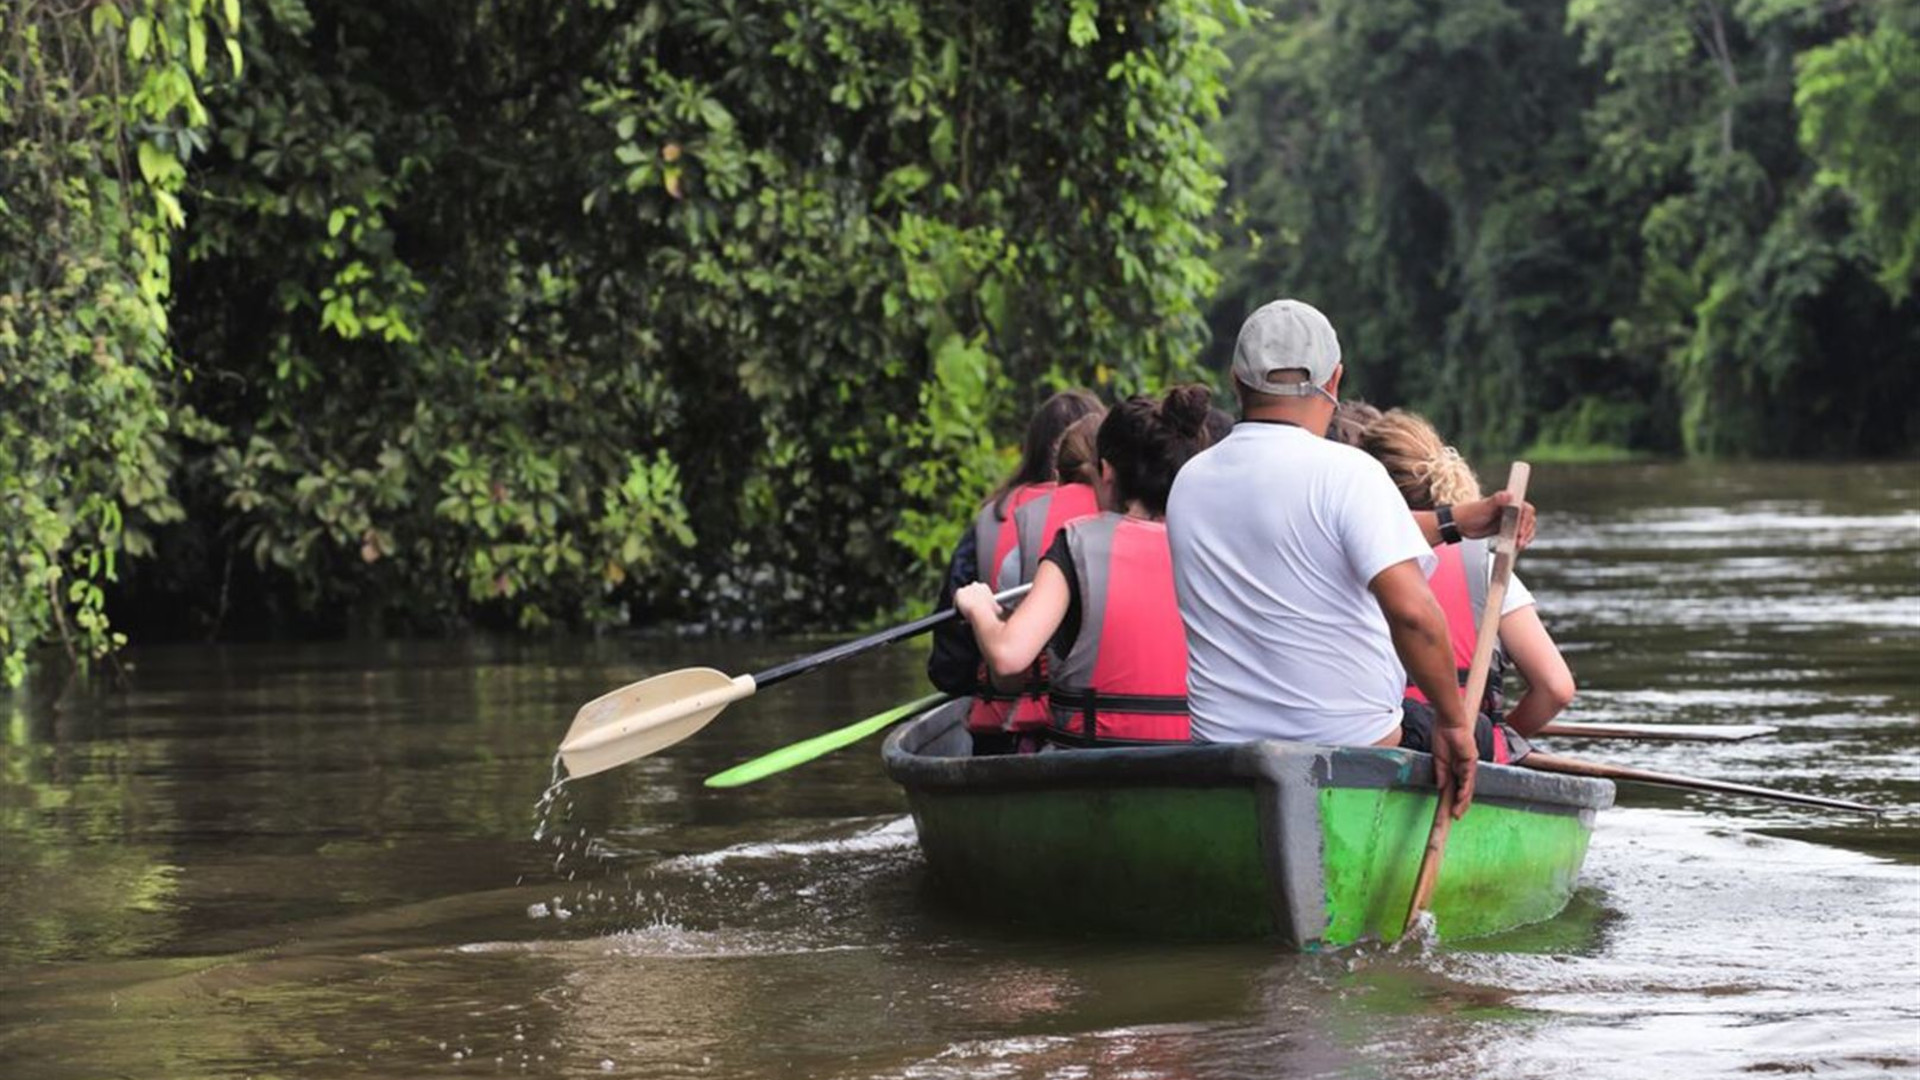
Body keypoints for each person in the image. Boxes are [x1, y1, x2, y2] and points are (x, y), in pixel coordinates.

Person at [1166, 299, 1528, 820]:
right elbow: (1413, 614)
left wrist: (1458, 520)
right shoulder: (1349, 474)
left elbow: (1312, 532)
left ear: (1236, 381)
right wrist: (1452, 723)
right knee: (1482, 735)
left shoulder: (1191, 482)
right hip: (1357, 747)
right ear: (1334, 381)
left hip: (1224, 753)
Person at [955, 386, 1217, 747]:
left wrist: (980, 607)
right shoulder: (1216, 547)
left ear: (1106, 472)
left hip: (1092, 768)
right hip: (1196, 762)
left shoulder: (1075, 545)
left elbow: (1007, 658)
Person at [1360, 410, 1574, 744]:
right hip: (1466, 748)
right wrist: (1498, 743)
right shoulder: (1487, 569)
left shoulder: (1352, 562)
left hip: (1378, 742)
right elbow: (1556, 688)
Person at [928, 390, 1103, 753]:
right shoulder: (1142, 520)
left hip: (1007, 730)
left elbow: (949, 668)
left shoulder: (991, 523)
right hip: (1104, 728)